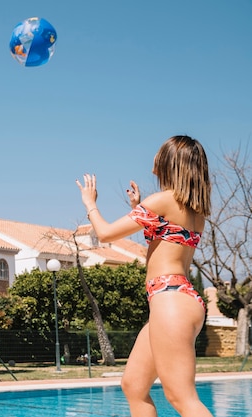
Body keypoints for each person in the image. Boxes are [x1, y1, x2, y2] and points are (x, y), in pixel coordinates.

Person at [76, 135, 213, 417]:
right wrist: (137, 208)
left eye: (158, 156)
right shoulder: (192, 208)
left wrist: (90, 204)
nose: (153, 162)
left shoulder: (163, 200)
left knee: (181, 397)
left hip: (170, 301)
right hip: (177, 299)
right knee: (134, 386)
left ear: (169, 162)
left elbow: (104, 233)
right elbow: (163, 242)